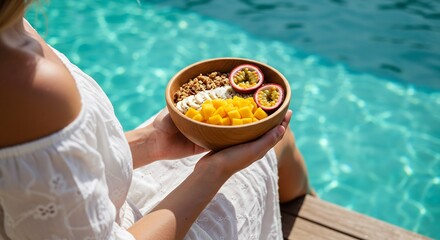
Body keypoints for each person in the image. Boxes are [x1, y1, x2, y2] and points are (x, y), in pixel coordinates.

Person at [0, 1, 312, 239]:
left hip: (104, 202)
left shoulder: (12, 30)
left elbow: (40, 176)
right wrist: (214, 172)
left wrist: (150, 142)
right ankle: (311, 206)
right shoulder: (28, 84)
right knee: (276, 142)